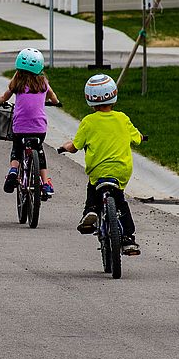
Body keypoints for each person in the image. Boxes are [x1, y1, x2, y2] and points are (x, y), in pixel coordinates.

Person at [59, 74, 143, 256]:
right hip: (121, 170)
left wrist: (66, 146)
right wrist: (141, 137)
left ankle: (91, 212)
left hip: (98, 172)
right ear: (114, 94)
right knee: (120, 201)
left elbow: (75, 147)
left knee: (93, 189)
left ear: (89, 98)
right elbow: (137, 138)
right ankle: (128, 238)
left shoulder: (88, 122)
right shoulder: (123, 119)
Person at [0, 48, 60, 198]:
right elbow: (53, 97)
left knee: (17, 148)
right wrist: (56, 102)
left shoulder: (17, 83)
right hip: (39, 128)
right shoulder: (43, 83)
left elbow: (3, 98)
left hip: (20, 127)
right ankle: (45, 183)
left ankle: (13, 171)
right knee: (39, 151)